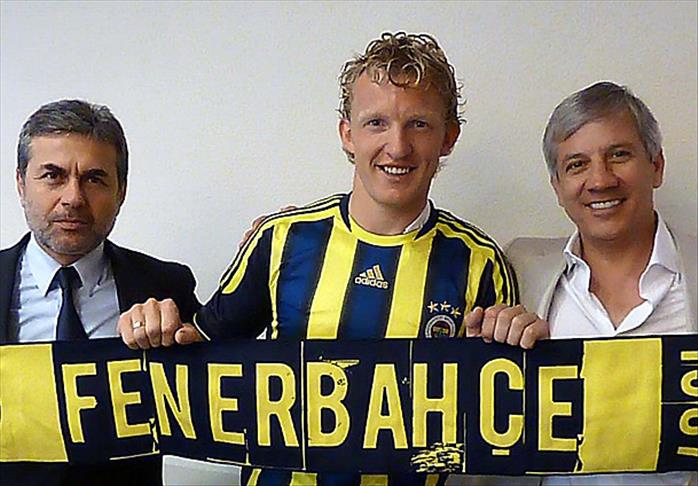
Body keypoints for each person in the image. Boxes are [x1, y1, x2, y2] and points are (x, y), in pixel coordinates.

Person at [119, 32, 548, 485]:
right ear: (348, 134)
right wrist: (152, 327)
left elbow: (501, 419)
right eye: (376, 123)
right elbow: (197, 354)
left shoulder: (481, 263)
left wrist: (527, 351)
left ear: (448, 137)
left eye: (419, 124)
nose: (398, 146)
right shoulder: (280, 240)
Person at [481, 82, 697, 485]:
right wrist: (488, 347)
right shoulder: (518, 269)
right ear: (557, 187)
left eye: (619, 155)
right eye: (577, 165)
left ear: (656, 166)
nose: (600, 180)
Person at [0, 99, 201, 486]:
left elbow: (239, 386)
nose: (73, 197)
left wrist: (270, 251)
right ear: (21, 184)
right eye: (53, 175)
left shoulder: (167, 287)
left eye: (94, 178)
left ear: (120, 191)